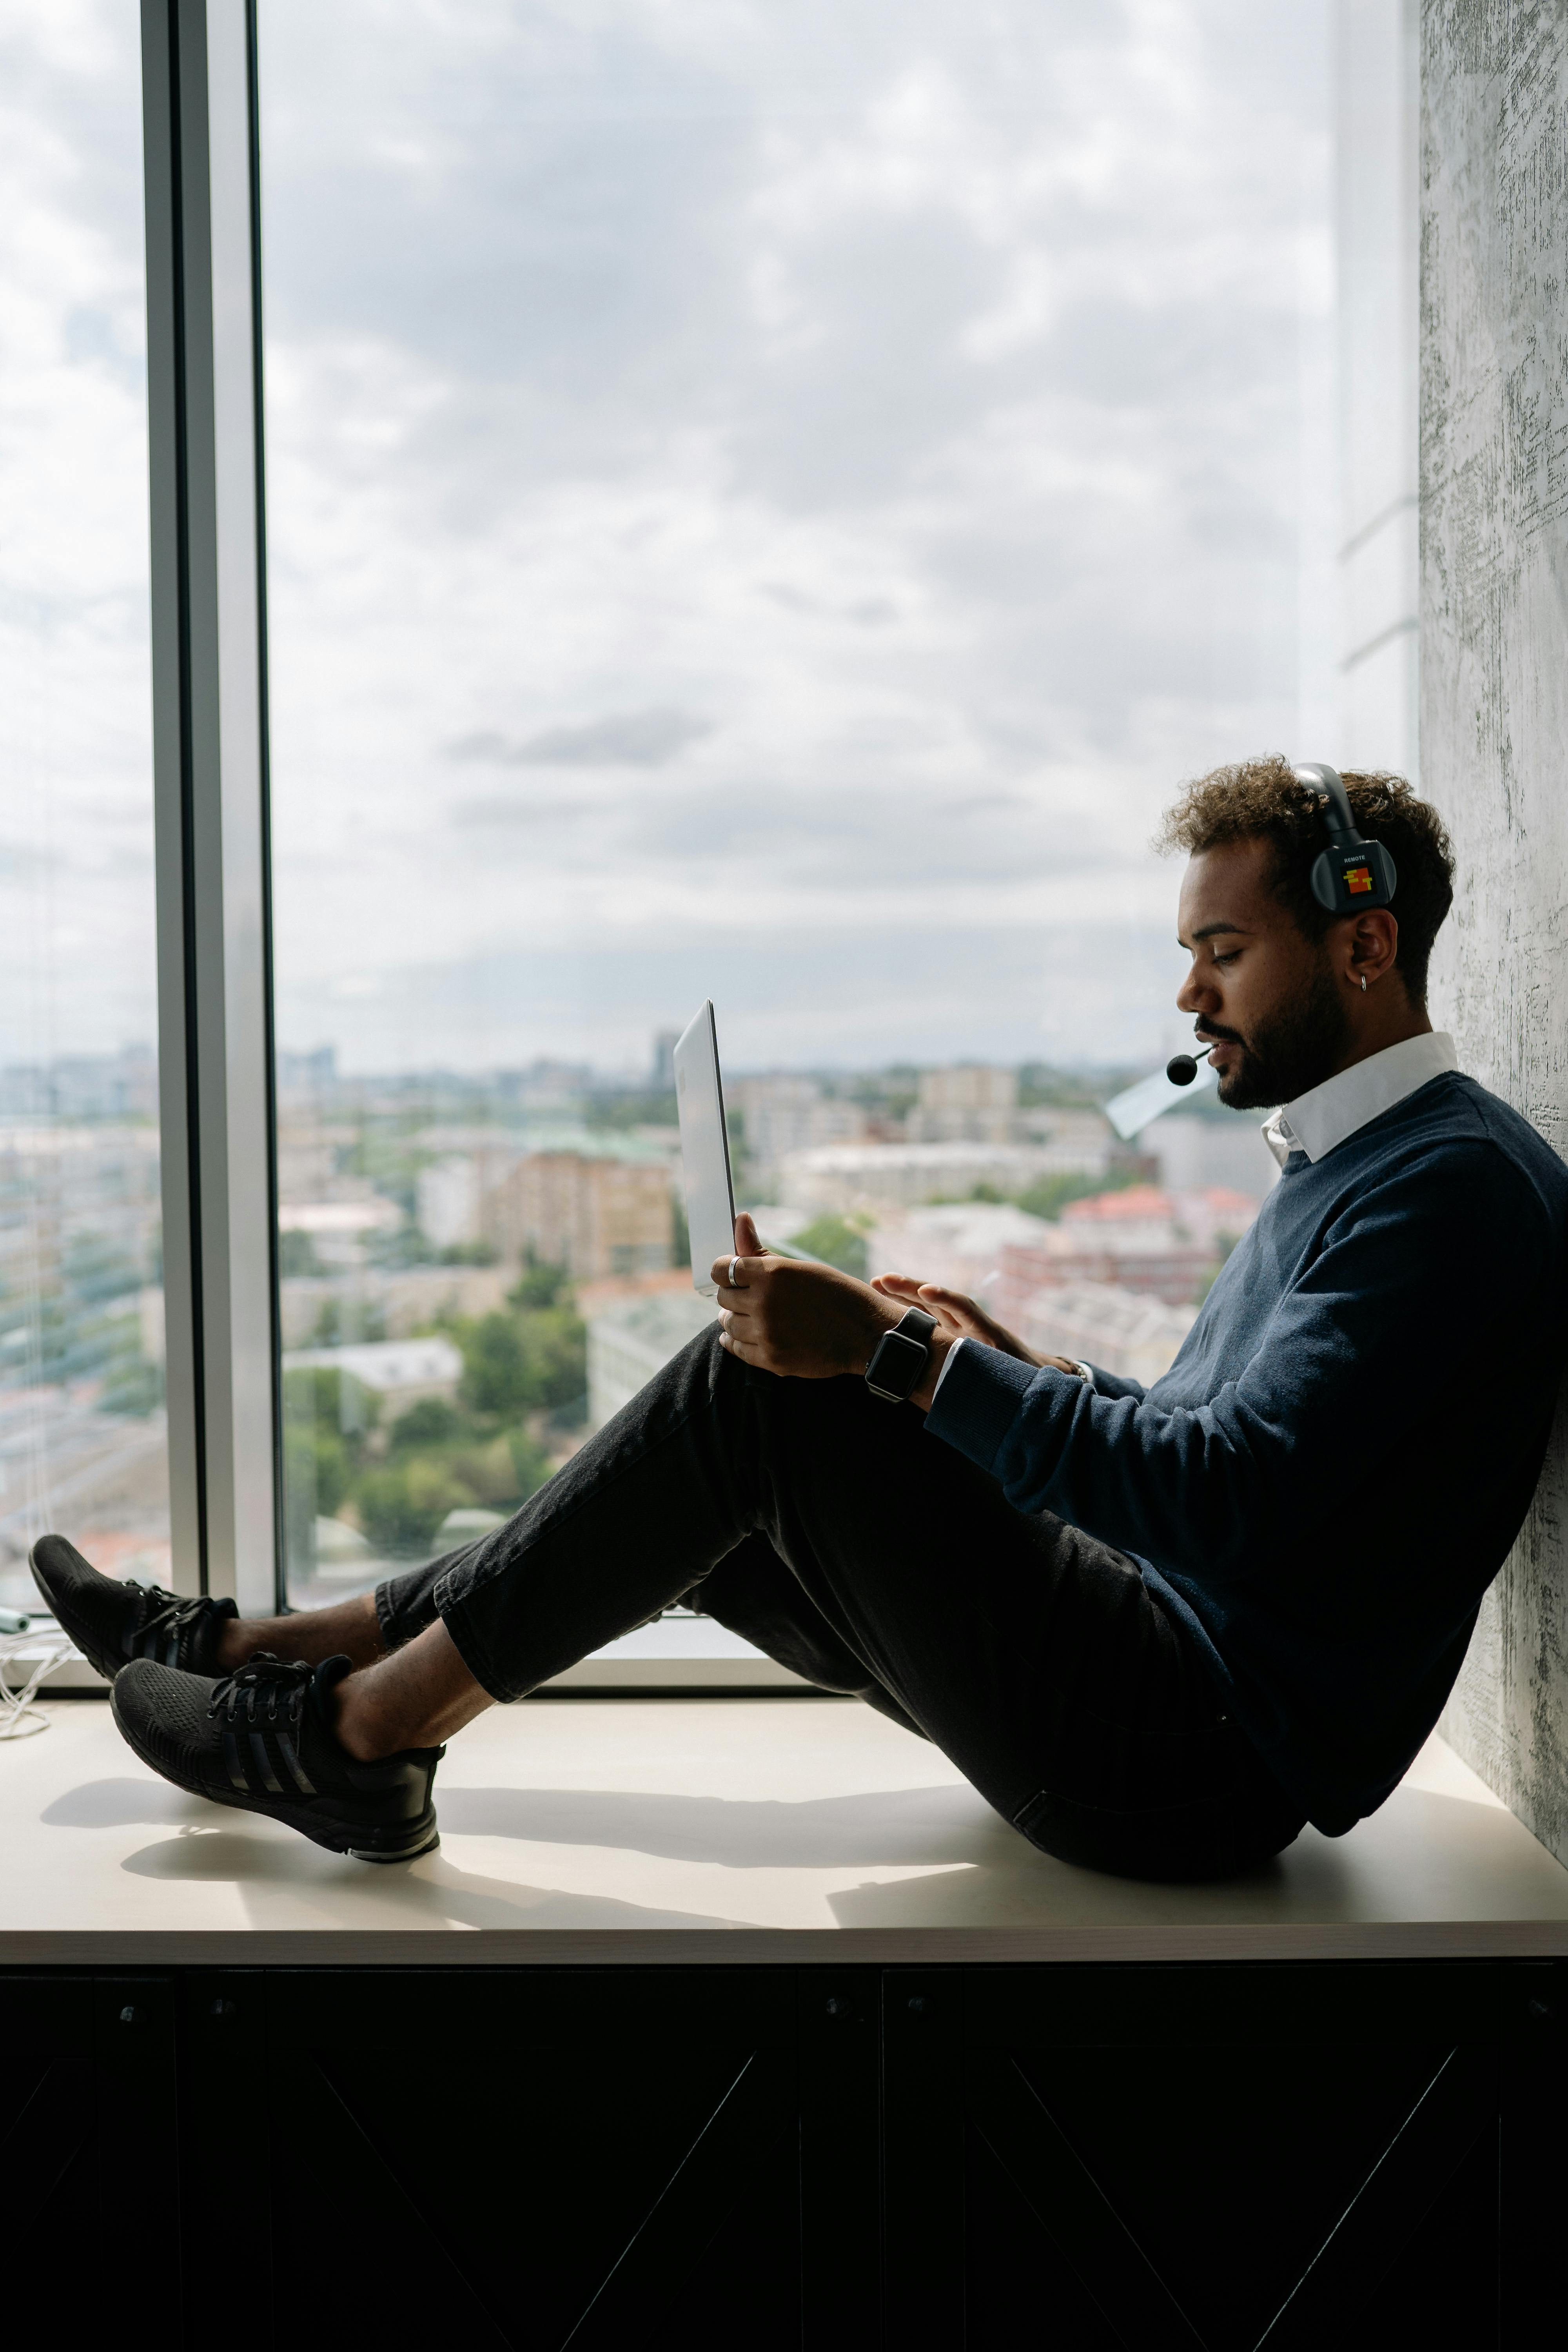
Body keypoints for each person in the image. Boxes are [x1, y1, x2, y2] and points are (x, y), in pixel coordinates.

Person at [31, 757, 1568, 1880]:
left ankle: (355, 1745)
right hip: (1163, 1686)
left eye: (1221, 954)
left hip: (1188, 1765)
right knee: (723, 1487)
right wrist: (992, 1358)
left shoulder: (1447, 1198)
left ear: (1363, 945)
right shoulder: (1365, 1162)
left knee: (758, 1393)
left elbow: (1221, 1503)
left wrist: (898, 1359)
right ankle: (257, 1650)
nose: (1188, 1000)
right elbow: (1223, 1452)